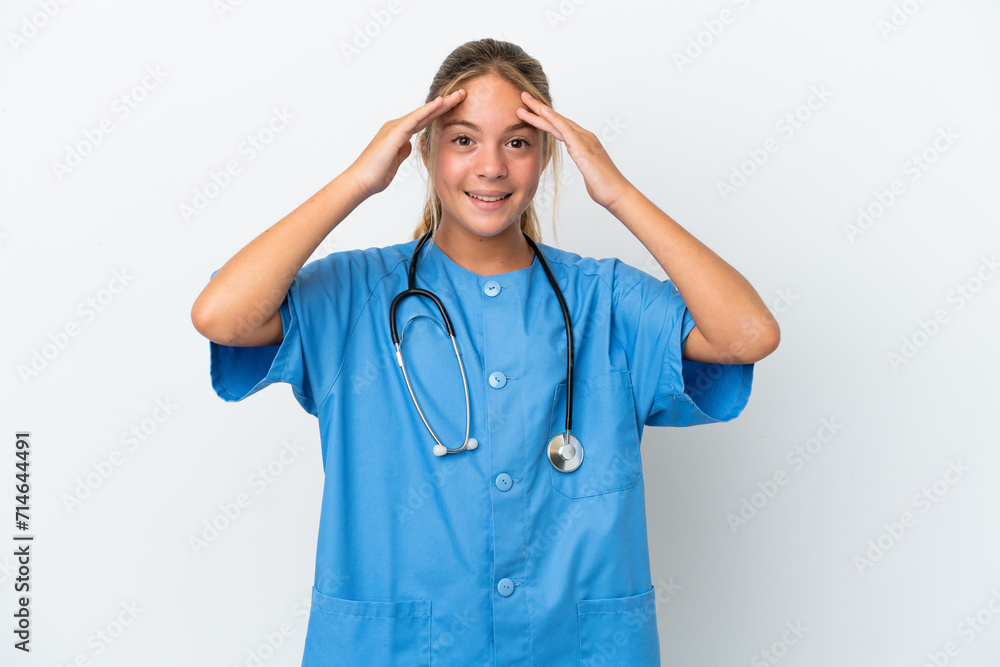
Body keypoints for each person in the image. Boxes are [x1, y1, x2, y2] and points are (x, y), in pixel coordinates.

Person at [192, 37, 778, 667]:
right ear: (425, 150)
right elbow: (221, 316)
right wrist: (360, 181)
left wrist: (617, 192)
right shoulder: (356, 296)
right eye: (463, 139)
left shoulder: (604, 299)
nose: (492, 166)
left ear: (548, 154)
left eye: (519, 142)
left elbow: (748, 333)